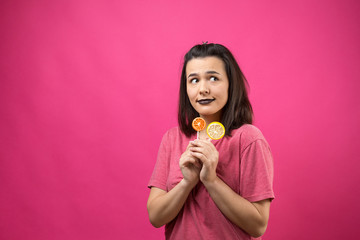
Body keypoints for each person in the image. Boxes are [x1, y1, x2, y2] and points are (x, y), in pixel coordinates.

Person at [147, 43, 275, 240]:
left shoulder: (249, 138)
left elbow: (258, 225)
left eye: (213, 78)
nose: (203, 89)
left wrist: (211, 180)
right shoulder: (172, 139)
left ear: (230, 84)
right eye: (194, 80)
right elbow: (155, 217)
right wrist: (187, 183)